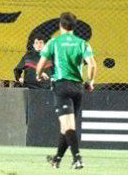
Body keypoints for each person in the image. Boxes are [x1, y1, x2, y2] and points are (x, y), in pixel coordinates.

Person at [36, 12, 96, 170]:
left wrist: (39, 74)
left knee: (68, 125)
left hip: (61, 86)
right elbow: (93, 65)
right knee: (66, 126)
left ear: (60, 25)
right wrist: (90, 81)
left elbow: (41, 64)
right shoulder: (83, 43)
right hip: (77, 87)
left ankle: (77, 158)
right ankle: (56, 159)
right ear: (74, 26)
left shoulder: (54, 42)